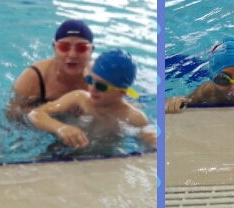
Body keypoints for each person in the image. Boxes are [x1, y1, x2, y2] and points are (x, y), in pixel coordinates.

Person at [27, 49, 156, 150]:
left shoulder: (135, 117)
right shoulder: (79, 98)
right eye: (90, 80)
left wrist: (151, 139)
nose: (92, 89)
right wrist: (60, 128)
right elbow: (35, 113)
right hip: (64, 150)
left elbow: (149, 145)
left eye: (101, 86)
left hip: (105, 159)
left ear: (121, 93)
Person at [7, 19, 94, 120]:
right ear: (54, 48)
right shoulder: (34, 77)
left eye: (81, 48)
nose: (72, 55)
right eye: (64, 47)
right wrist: (58, 110)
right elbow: (11, 113)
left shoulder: (98, 77)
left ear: (91, 50)